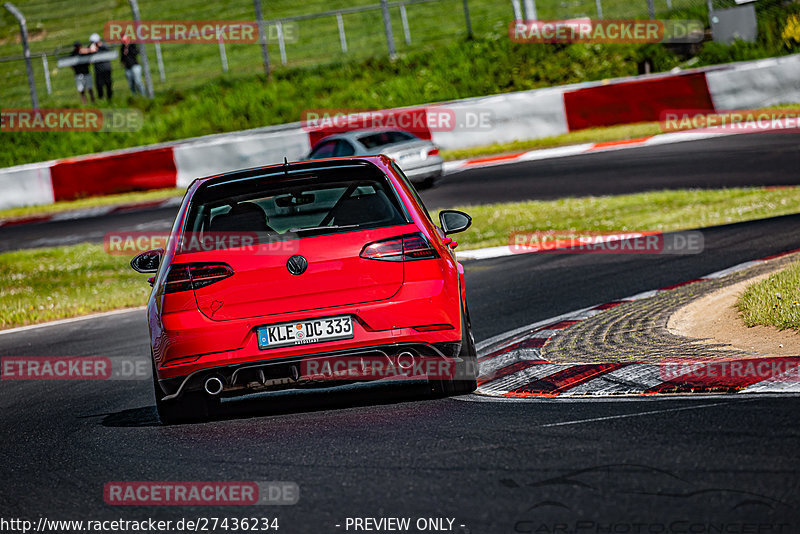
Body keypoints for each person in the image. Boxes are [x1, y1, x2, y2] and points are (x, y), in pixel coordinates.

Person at [89, 33, 113, 100]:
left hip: (106, 68)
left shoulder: (104, 46)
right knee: (99, 85)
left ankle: (110, 98)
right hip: (98, 70)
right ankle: (101, 99)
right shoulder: (92, 48)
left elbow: (110, 52)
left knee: (108, 84)